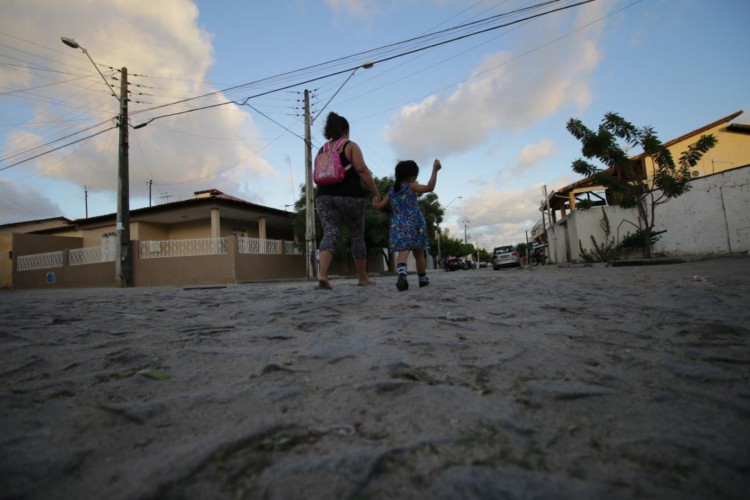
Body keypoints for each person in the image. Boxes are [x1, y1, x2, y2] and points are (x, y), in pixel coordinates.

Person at [315, 112, 381, 289]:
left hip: (323, 197)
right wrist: (375, 192)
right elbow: (361, 169)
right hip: (350, 195)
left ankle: (322, 275)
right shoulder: (350, 146)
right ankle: (362, 277)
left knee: (330, 233)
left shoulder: (322, 150)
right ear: (346, 130)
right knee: (357, 234)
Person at [372, 158, 441, 291]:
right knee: (419, 253)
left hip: (398, 224)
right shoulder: (411, 186)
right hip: (414, 223)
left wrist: (375, 202)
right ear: (412, 177)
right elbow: (429, 187)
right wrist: (435, 170)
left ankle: (402, 276)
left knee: (402, 251)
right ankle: (422, 279)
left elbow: (380, 206)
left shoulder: (392, 191)